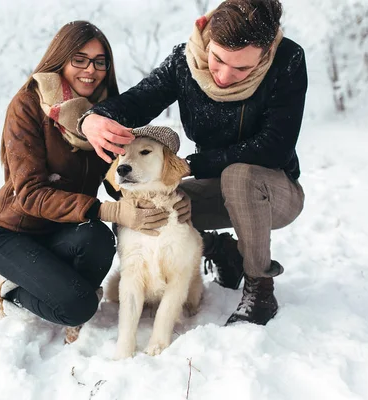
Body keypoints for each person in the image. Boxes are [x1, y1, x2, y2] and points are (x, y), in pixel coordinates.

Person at [78, 0, 307, 326]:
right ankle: (221, 251)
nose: (226, 76)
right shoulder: (183, 62)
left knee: (238, 175)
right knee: (151, 207)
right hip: (216, 185)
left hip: (274, 191)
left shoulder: (288, 60)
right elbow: (138, 100)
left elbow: (274, 147)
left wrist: (191, 164)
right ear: (205, 34)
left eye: (242, 69)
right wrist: (93, 118)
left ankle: (260, 289)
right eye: (217, 60)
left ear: (268, 49)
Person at [0, 21, 189, 343]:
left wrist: (170, 196)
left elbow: (120, 176)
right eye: (79, 59)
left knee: (99, 239)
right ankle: (10, 291)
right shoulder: (28, 105)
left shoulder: (108, 113)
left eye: (100, 61)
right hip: (15, 233)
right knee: (78, 306)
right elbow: (31, 194)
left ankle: (65, 287)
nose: (90, 70)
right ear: (60, 59)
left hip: (67, 228)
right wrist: (113, 212)